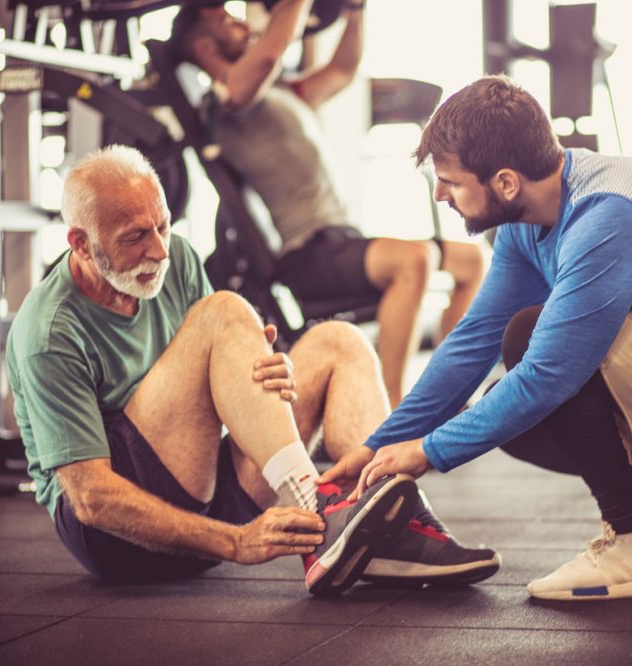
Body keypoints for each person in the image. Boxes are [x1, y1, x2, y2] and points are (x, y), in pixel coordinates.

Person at [320, 75, 632, 601]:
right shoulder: (529, 218)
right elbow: (474, 338)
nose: (441, 193)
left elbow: (549, 373)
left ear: (506, 182)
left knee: (533, 347)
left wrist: (428, 452)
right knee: (506, 414)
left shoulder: (606, 215)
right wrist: (380, 444)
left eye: (451, 181)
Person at [6, 145, 499, 595]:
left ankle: (396, 521)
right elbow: (90, 499)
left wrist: (263, 374)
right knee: (222, 312)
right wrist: (234, 543)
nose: (158, 249)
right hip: (120, 539)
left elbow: (211, 389)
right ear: (82, 244)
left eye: (162, 225)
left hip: (203, 489)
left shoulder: (173, 258)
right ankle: (317, 509)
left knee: (339, 343)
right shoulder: (48, 332)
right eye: (136, 237)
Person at [170, 0, 490, 407]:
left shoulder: (279, 91)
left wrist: (355, 9)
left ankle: (446, 397)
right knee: (415, 261)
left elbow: (343, 70)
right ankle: (390, 410)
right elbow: (267, 55)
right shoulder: (225, 103)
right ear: (203, 47)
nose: (239, 23)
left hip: (339, 240)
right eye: (226, 21)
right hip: (308, 252)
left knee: (472, 261)